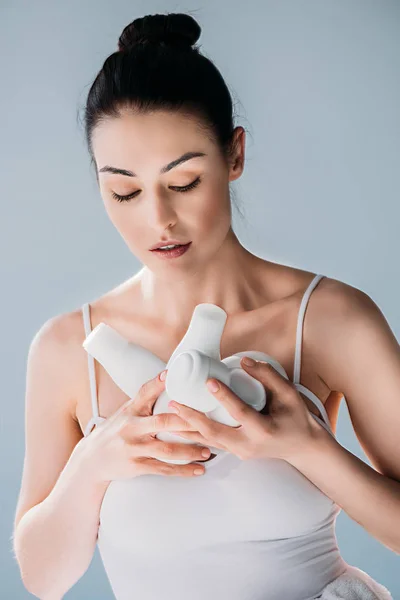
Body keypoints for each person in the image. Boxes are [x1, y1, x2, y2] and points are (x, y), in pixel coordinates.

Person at [12, 11, 397, 600]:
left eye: (185, 182)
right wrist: (93, 464)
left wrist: (307, 448)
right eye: (124, 191)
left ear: (234, 155)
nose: (158, 219)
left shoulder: (330, 320)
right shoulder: (70, 348)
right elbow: (42, 579)